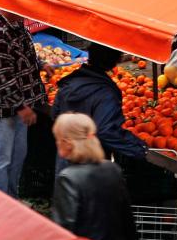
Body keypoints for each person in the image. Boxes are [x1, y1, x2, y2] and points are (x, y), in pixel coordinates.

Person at [51, 113, 140, 240]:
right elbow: (127, 220)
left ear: (67, 143)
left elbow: (64, 231)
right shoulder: (112, 169)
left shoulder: (68, 179)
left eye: (57, 139)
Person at [0, 8, 47, 197]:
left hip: (19, 101)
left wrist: (40, 65)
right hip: (2, 106)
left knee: (17, 155)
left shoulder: (15, 23)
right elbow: (1, 78)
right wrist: (20, 107)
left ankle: (10, 198)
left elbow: (22, 53)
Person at [52, 43, 147, 174]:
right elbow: (105, 130)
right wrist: (137, 147)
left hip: (66, 157)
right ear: (114, 62)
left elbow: (56, 115)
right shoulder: (107, 93)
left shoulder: (68, 83)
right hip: (91, 160)